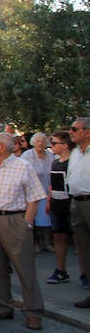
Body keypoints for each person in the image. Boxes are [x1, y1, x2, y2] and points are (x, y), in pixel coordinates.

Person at [0, 132, 45, 329]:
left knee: (24, 268)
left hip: (14, 220)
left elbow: (35, 197)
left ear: (2, 147)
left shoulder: (23, 166)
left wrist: (26, 224)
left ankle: (33, 312)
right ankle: (3, 306)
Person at [47, 130, 82, 285]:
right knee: (58, 237)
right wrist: (49, 199)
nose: (52, 146)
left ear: (65, 145)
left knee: (78, 239)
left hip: (71, 202)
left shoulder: (74, 162)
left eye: (54, 143)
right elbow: (51, 183)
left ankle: (84, 273)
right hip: (56, 203)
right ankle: (61, 270)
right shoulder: (54, 161)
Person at [68, 117, 90, 308]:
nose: (71, 132)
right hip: (76, 201)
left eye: (75, 129)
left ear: (87, 132)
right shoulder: (75, 152)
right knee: (84, 249)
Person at [21, 132, 53, 253]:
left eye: (43, 141)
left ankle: (46, 243)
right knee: (32, 219)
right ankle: (34, 244)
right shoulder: (27, 155)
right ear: (33, 142)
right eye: (38, 141)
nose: (40, 143)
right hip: (32, 193)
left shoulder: (50, 155)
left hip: (47, 191)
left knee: (46, 219)